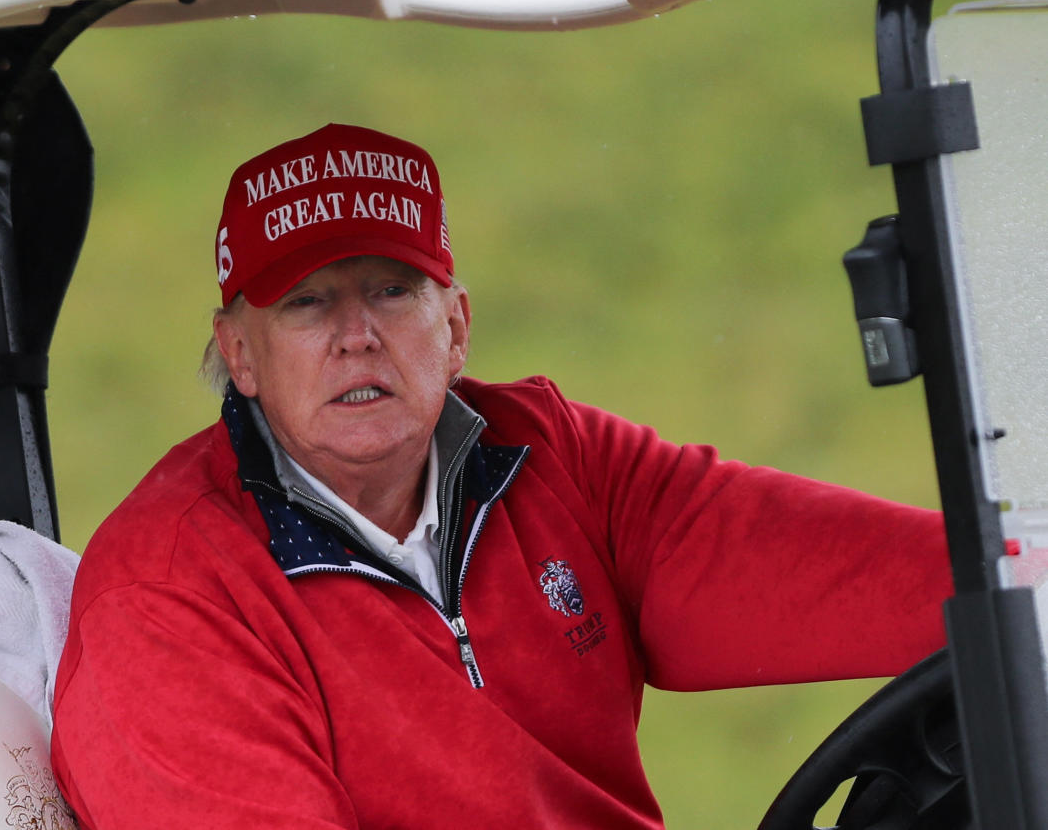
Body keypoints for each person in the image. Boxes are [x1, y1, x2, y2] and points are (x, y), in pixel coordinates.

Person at [50, 123, 952, 829]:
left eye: (393, 289)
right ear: (238, 353)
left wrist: (1025, 573)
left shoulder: (552, 459)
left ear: (458, 325)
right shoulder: (169, 595)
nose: (358, 333)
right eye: (308, 301)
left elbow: (884, 578)